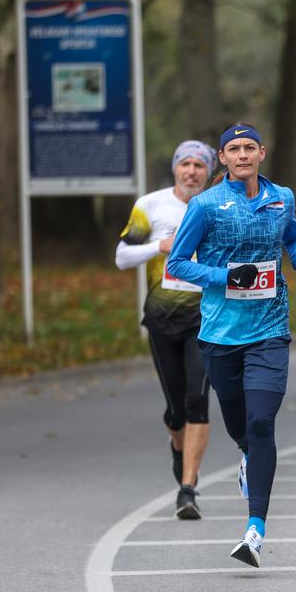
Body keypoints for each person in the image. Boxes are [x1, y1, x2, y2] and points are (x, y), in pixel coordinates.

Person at [166, 123, 296, 567]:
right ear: (223, 158)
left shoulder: (282, 198)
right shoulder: (206, 205)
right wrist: (224, 277)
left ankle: (255, 528)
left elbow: (291, 233)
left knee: (261, 423)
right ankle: (246, 457)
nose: (242, 155)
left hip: (270, 328)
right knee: (241, 428)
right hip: (220, 335)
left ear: (261, 153)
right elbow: (178, 262)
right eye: (233, 149)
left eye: (249, 147)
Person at [115, 140, 216, 519]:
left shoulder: (217, 207)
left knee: (197, 400)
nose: (191, 171)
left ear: (208, 172)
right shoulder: (150, 205)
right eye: (185, 164)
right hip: (161, 319)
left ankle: (188, 489)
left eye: (199, 165)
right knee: (176, 411)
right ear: (175, 168)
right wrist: (161, 245)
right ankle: (178, 444)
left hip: (206, 319)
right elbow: (122, 256)